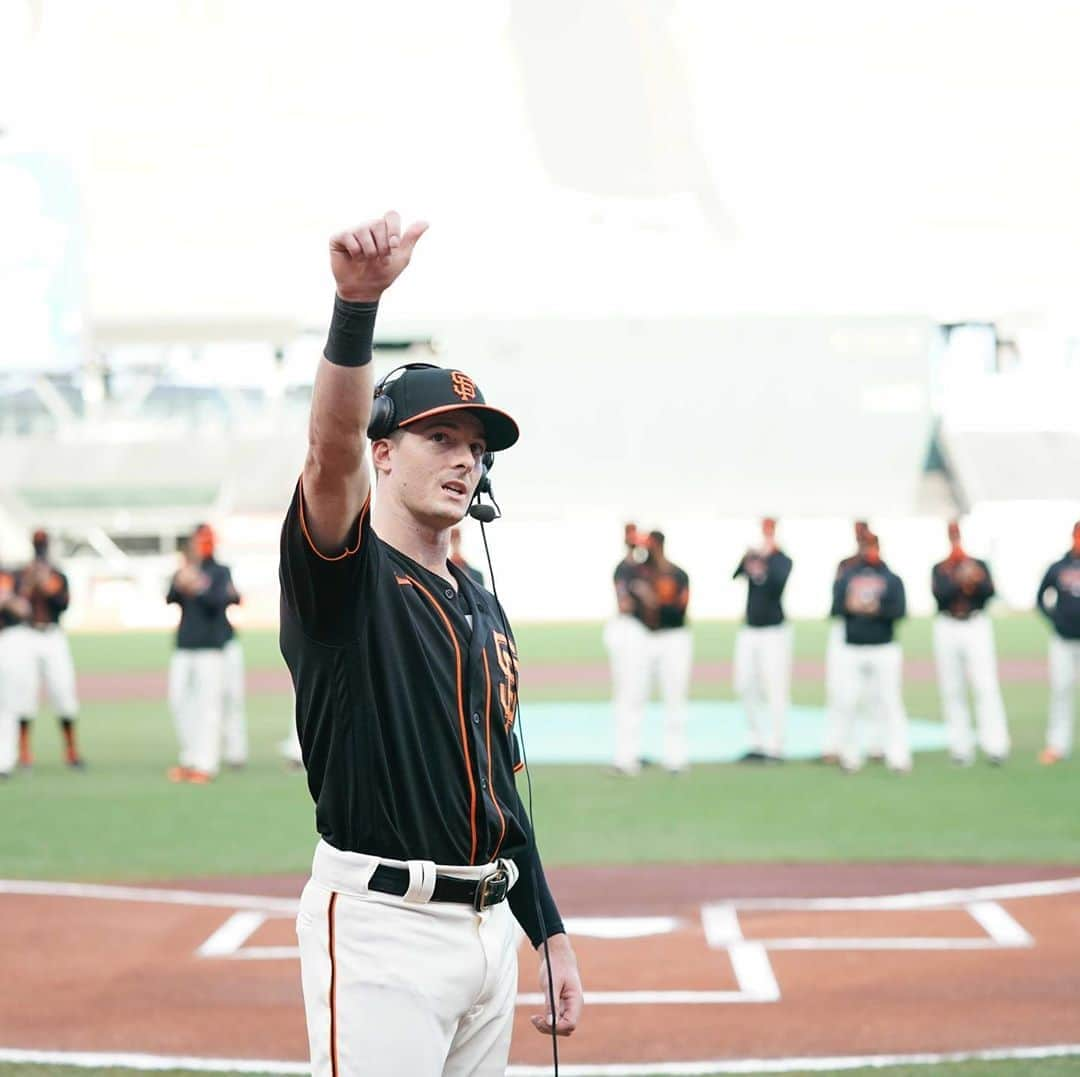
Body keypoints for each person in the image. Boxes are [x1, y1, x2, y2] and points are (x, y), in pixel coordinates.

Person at [280, 211, 582, 1076]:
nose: (465, 460)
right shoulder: (342, 576)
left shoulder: (480, 601)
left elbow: (499, 779)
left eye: (478, 448)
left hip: (488, 932)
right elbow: (326, 452)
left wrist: (547, 930)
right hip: (383, 932)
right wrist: (355, 306)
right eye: (439, 437)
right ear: (384, 451)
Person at [607, 527, 692, 774]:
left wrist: (651, 601)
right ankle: (626, 757)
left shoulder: (677, 575)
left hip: (673, 637)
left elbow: (678, 611)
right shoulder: (632, 571)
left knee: (675, 696)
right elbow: (623, 595)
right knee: (631, 695)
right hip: (642, 636)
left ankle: (676, 757)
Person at [931, 521, 1009, 766]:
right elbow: (940, 596)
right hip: (948, 625)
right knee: (952, 688)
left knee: (985, 685)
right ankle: (960, 748)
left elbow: (989, 592)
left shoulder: (979, 564)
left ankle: (995, 745)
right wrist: (960, 581)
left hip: (975, 624)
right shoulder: (940, 567)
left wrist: (973, 579)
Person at [833, 533, 911, 773]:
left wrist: (875, 608)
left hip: (883, 646)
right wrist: (852, 605)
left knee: (889, 700)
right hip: (853, 647)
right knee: (849, 701)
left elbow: (899, 610)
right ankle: (850, 755)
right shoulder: (847, 576)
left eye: (871, 546)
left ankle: (897, 755)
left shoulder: (892, 578)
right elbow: (836, 607)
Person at [165, 524, 234, 784]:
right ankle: (189, 757)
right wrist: (181, 581)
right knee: (179, 701)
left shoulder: (219, 572)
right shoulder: (182, 570)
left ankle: (206, 763)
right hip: (184, 645)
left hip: (210, 648)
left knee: (208, 706)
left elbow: (219, 601)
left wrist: (199, 587)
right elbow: (170, 598)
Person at [15, 530, 84, 769]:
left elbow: (63, 604)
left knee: (63, 692)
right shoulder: (23, 573)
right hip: (28, 635)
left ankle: (71, 750)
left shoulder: (57, 574)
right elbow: (18, 604)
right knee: (24, 694)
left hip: (53, 635)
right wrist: (29, 583)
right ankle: (23, 751)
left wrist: (47, 584)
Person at [733, 517, 793, 762]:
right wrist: (750, 556)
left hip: (774, 631)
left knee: (774, 685)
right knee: (745, 684)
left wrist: (767, 556)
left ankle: (776, 743)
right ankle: (755, 740)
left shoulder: (782, 560)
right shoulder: (752, 556)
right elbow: (736, 575)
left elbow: (778, 582)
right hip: (750, 629)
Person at [819, 520, 869, 764]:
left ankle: (875, 743)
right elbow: (838, 602)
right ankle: (836, 742)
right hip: (846, 630)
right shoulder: (846, 566)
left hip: (871, 634)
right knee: (839, 689)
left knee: (873, 692)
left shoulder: (879, 568)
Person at [1035, 521, 1080, 765]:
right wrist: (1056, 620)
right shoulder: (1058, 567)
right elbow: (1040, 597)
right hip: (1063, 640)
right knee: (1061, 690)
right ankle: (1057, 744)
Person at [0, 569, 31, 779]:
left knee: (7, 707)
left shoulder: (11, 576)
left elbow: (23, 609)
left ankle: (5, 762)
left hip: (8, 642)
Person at [221, 575, 247, 769]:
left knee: (233, 699)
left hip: (225, 644)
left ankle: (236, 752)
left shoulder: (221, 571)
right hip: (204, 646)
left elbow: (236, 598)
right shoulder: (183, 573)